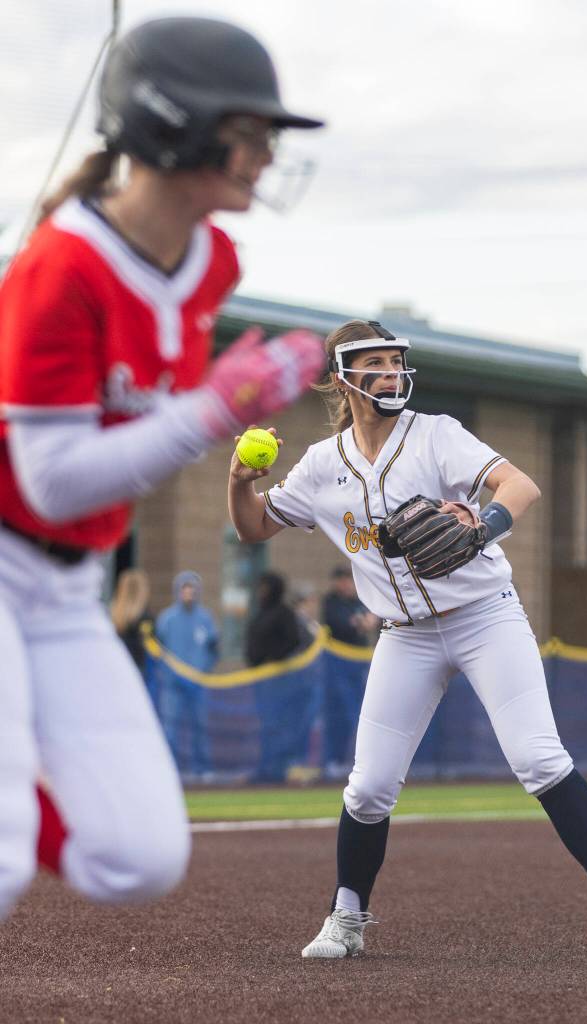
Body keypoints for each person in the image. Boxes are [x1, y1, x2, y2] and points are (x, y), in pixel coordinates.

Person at [0, 15, 324, 920]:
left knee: (136, 857)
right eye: (247, 130)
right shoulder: (59, 268)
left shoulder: (211, 259)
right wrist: (217, 407)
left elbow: (138, 444)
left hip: (68, 588)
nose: (262, 153)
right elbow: (52, 480)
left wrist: (216, 405)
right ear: (169, 122)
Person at [228, 319, 587, 961]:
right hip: (404, 636)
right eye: (373, 362)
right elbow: (254, 530)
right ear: (341, 378)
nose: (389, 371)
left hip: (484, 614)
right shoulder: (325, 465)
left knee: (539, 758)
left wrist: (483, 526)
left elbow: (521, 486)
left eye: (394, 360)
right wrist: (239, 481)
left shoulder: (434, 434)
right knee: (369, 787)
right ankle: (345, 918)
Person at [244, 572, 312, 782]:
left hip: (279, 681)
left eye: (265, 587)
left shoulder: (283, 613)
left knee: (279, 725)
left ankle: (279, 769)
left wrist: (273, 659)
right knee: (266, 725)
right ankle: (266, 767)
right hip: (261, 680)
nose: (261, 592)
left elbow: (292, 641)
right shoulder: (261, 612)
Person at [155, 572, 219, 780]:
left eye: (192, 589)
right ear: (178, 591)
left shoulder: (205, 618)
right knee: (170, 728)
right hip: (173, 685)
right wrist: (167, 675)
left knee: (200, 726)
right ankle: (168, 769)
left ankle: (203, 769)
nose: (188, 593)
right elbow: (158, 650)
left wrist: (204, 671)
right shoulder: (167, 619)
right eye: (185, 589)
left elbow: (213, 648)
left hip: (198, 684)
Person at [321, 566, 377, 778]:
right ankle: (333, 760)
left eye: (348, 580)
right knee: (339, 716)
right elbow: (345, 624)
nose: (346, 585)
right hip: (336, 671)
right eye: (342, 580)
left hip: (358, 669)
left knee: (362, 716)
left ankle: (357, 762)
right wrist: (361, 623)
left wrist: (366, 621)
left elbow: (372, 620)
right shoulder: (331, 603)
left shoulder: (358, 601)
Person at [110, 568, 154, 672]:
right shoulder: (145, 618)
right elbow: (151, 651)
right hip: (138, 672)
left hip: (116, 668)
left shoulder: (112, 618)